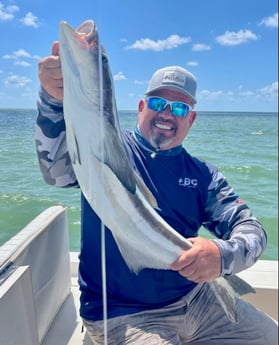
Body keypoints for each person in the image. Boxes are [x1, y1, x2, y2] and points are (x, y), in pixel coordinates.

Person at [35, 42, 278, 345]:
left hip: (196, 298)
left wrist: (220, 256)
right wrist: (52, 100)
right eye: (158, 103)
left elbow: (252, 230)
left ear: (191, 119)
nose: (167, 113)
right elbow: (56, 173)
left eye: (179, 108)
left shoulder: (203, 175)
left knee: (270, 335)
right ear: (140, 107)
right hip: (120, 312)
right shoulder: (108, 149)